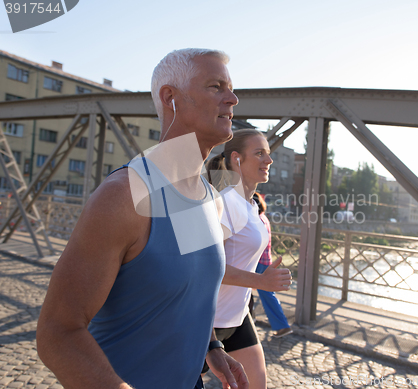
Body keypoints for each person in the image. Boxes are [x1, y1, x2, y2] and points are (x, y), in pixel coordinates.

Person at [36, 49, 249, 389]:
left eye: (231, 88)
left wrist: (211, 346)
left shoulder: (207, 198)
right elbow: (57, 332)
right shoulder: (125, 197)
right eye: (215, 86)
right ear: (171, 98)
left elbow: (187, 289)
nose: (233, 98)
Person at [205, 129, 292, 389]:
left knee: (256, 385)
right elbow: (207, 266)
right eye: (259, 153)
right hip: (204, 321)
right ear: (237, 159)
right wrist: (261, 281)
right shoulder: (226, 202)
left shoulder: (251, 204)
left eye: (268, 154)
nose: (269, 160)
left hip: (238, 316)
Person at [253, 192, 293, 338]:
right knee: (266, 294)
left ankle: (282, 326)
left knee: (264, 294)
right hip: (266, 260)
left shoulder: (255, 219)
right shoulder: (264, 218)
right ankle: (279, 325)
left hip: (258, 262)